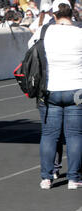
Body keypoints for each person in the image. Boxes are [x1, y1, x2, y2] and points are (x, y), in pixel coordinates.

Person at [37, 1, 82, 189]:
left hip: (51, 88)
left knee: (49, 135)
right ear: (72, 15)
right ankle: (73, 178)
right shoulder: (79, 33)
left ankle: (46, 177)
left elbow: (31, 52)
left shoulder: (44, 32)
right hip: (76, 88)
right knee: (75, 135)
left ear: (54, 15)